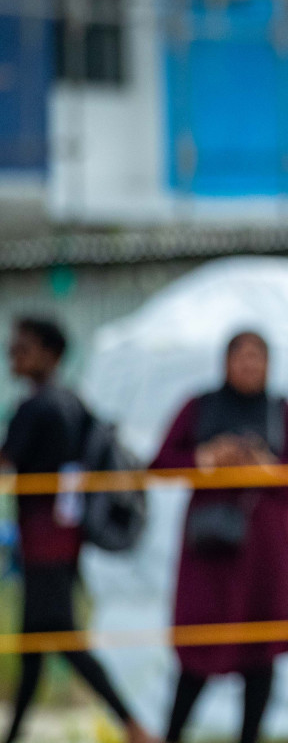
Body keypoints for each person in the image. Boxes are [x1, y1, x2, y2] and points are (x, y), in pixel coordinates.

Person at [151, 330, 288, 743]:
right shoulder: (200, 407)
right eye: (241, 357)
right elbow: (160, 463)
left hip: (267, 555)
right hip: (210, 554)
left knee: (260, 655)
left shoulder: (283, 412)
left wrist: (268, 468)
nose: (249, 366)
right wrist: (207, 458)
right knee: (198, 651)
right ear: (225, 361)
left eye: (257, 358)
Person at [2, 317, 153, 743]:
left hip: (44, 538)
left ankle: (133, 724)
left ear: (51, 354)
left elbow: (8, 461)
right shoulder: (73, 402)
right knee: (34, 639)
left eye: (23, 348)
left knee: (61, 636)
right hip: (60, 536)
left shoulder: (37, 407)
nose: (14, 356)